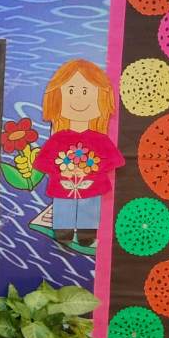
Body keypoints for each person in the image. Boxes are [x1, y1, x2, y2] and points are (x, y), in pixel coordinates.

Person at [32, 59, 124, 248]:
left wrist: (92, 170)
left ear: (102, 98)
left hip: (92, 187)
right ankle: (63, 231)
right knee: (63, 206)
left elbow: (113, 160)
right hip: (62, 187)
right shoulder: (58, 138)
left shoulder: (100, 139)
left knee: (90, 206)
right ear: (57, 97)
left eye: (85, 91)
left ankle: (86, 233)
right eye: (71, 91)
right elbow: (43, 162)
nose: (79, 99)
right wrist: (62, 171)